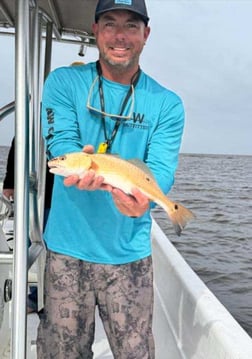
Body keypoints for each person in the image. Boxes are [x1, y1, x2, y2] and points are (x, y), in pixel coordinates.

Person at [37, 0, 185, 358]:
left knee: (135, 353)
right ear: (96, 30)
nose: (120, 35)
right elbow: (62, 142)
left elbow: (160, 170)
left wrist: (146, 201)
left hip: (129, 256)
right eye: (110, 23)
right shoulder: (64, 82)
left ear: (146, 34)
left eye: (131, 25)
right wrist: (77, 161)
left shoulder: (167, 104)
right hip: (66, 252)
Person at [2, 137, 54, 312]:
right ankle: (28, 295)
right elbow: (16, 149)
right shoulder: (29, 128)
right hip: (29, 198)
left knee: (52, 251)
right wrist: (9, 183)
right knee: (27, 247)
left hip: (57, 200)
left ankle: (44, 297)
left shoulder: (65, 127)